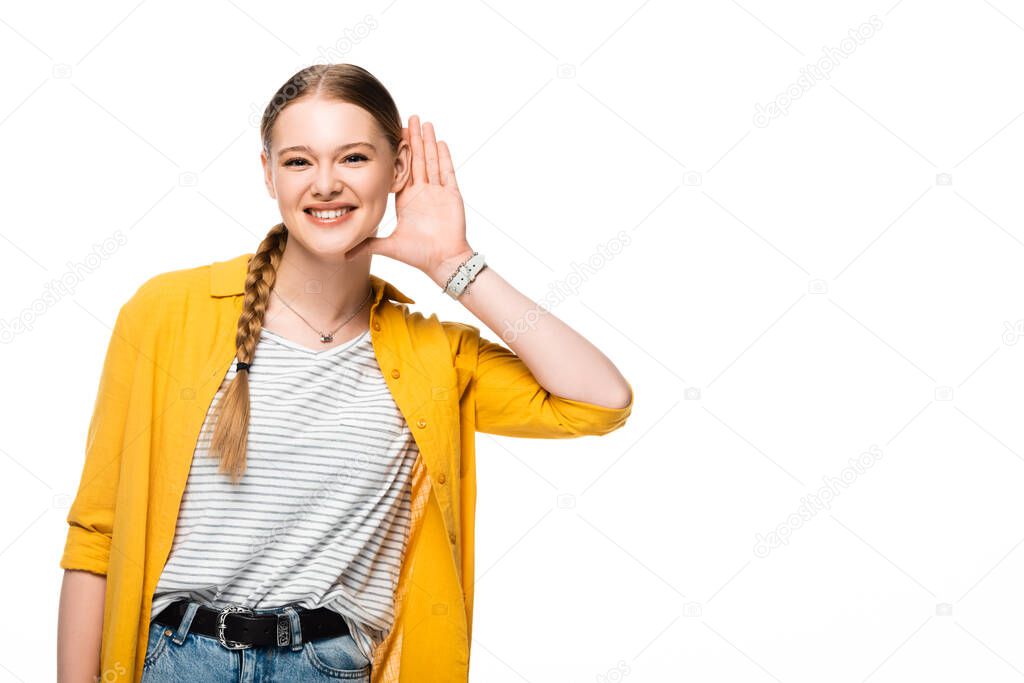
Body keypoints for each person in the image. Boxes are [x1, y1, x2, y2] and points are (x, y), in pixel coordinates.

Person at [56, 63, 634, 683]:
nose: (326, 184)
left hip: (328, 666)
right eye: (299, 161)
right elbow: (97, 534)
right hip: (175, 659)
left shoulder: (432, 355)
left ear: (398, 168)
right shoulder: (166, 313)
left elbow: (598, 399)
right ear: (268, 173)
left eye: (354, 158)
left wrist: (455, 263)